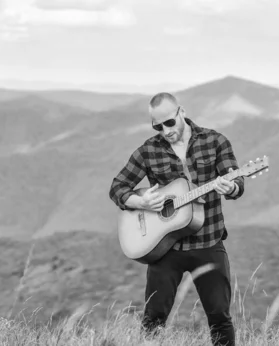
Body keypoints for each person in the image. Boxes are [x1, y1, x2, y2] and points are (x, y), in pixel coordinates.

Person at [108, 92, 245, 346]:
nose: (165, 130)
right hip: (165, 247)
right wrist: (141, 202)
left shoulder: (215, 141)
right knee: (153, 318)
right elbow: (117, 188)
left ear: (181, 111)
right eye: (157, 126)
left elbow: (236, 180)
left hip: (208, 242)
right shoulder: (148, 151)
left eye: (169, 123)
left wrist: (232, 187)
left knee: (219, 317)